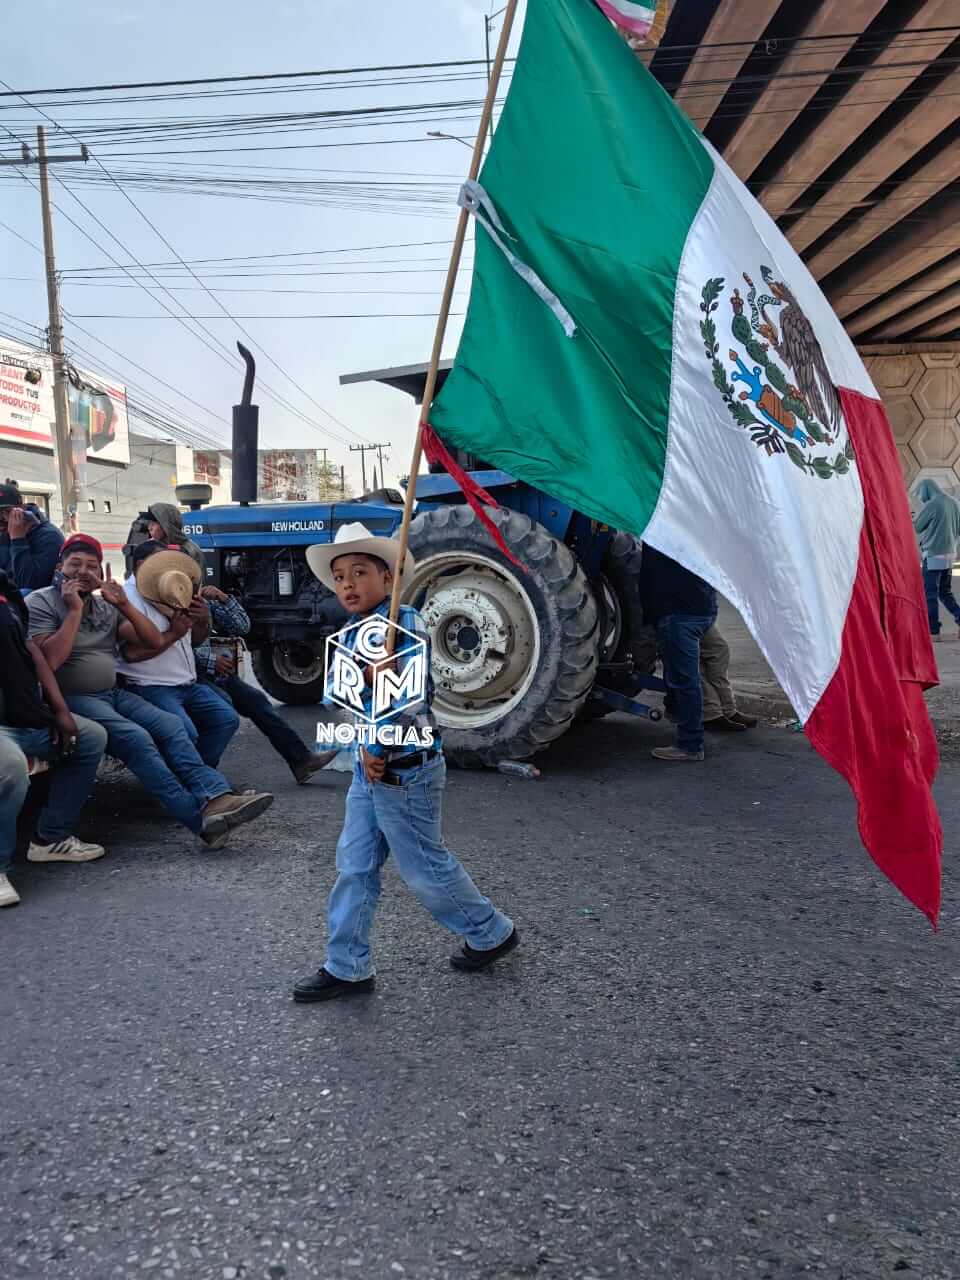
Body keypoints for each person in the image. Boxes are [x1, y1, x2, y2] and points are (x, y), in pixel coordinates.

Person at [292, 522, 518, 1003]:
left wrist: (378, 741)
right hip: (367, 770)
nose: (348, 584)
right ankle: (346, 965)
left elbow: (409, 699)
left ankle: (489, 931)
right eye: (340, 577)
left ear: (390, 579)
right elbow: (352, 698)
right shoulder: (354, 630)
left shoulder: (405, 622)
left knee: (424, 868)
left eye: (359, 572)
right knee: (354, 865)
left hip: (405, 770)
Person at [26, 534, 272, 847]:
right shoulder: (41, 602)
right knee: (138, 740)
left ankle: (216, 795)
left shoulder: (103, 607)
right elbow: (49, 660)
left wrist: (123, 604)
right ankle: (200, 820)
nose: (83, 572)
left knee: (170, 726)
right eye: (75, 564)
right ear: (59, 567)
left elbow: (152, 641)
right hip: (74, 698)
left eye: (92, 566)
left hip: (111, 693)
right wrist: (73, 611)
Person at [0, 571, 107, 907]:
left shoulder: (6, 591)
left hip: (27, 715)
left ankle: (50, 838)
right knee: (11, 768)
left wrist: (58, 710)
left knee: (90, 737)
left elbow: (32, 651)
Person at [194, 584, 335, 784]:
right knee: (221, 713)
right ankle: (204, 781)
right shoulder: (165, 603)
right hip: (187, 673)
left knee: (257, 701)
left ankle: (301, 761)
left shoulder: (201, 598)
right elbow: (171, 646)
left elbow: (243, 627)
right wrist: (210, 661)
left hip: (212, 673)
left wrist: (224, 599)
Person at [115, 543, 240, 768]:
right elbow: (129, 654)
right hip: (150, 685)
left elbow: (194, 641)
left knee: (226, 719)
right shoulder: (128, 599)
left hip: (185, 683)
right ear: (141, 565)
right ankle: (197, 784)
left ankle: (198, 778)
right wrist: (173, 634)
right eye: (158, 563)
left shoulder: (170, 589)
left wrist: (202, 620)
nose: (166, 570)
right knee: (185, 732)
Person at [638, 544, 717, 762]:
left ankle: (690, 744)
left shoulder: (664, 534)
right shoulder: (688, 530)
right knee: (679, 674)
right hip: (699, 610)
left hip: (680, 615)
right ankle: (677, 714)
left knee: (684, 681)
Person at [913, 478, 960, 641]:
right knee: (945, 592)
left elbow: (918, 526)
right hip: (950, 554)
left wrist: (913, 517)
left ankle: (933, 632)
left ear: (927, 489)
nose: (920, 497)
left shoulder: (933, 504)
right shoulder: (954, 502)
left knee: (930, 594)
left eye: (920, 493)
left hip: (933, 555)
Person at [0, 480, 64, 591]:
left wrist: (18, 540)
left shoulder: (49, 536)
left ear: (22, 508)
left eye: (4, 514)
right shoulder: (4, 534)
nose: (1, 524)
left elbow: (28, 585)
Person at [699, 625, 758, 733]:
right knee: (693, 662)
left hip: (694, 612)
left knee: (718, 650)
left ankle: (727, 710)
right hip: (675, 614)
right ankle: (711, 713)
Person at [138, 502, 205, 572]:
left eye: (153, 524)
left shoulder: (191, 551)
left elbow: (197, 579)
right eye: (148, 524)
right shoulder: (150, 548)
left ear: (166, 526)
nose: (149, 528)